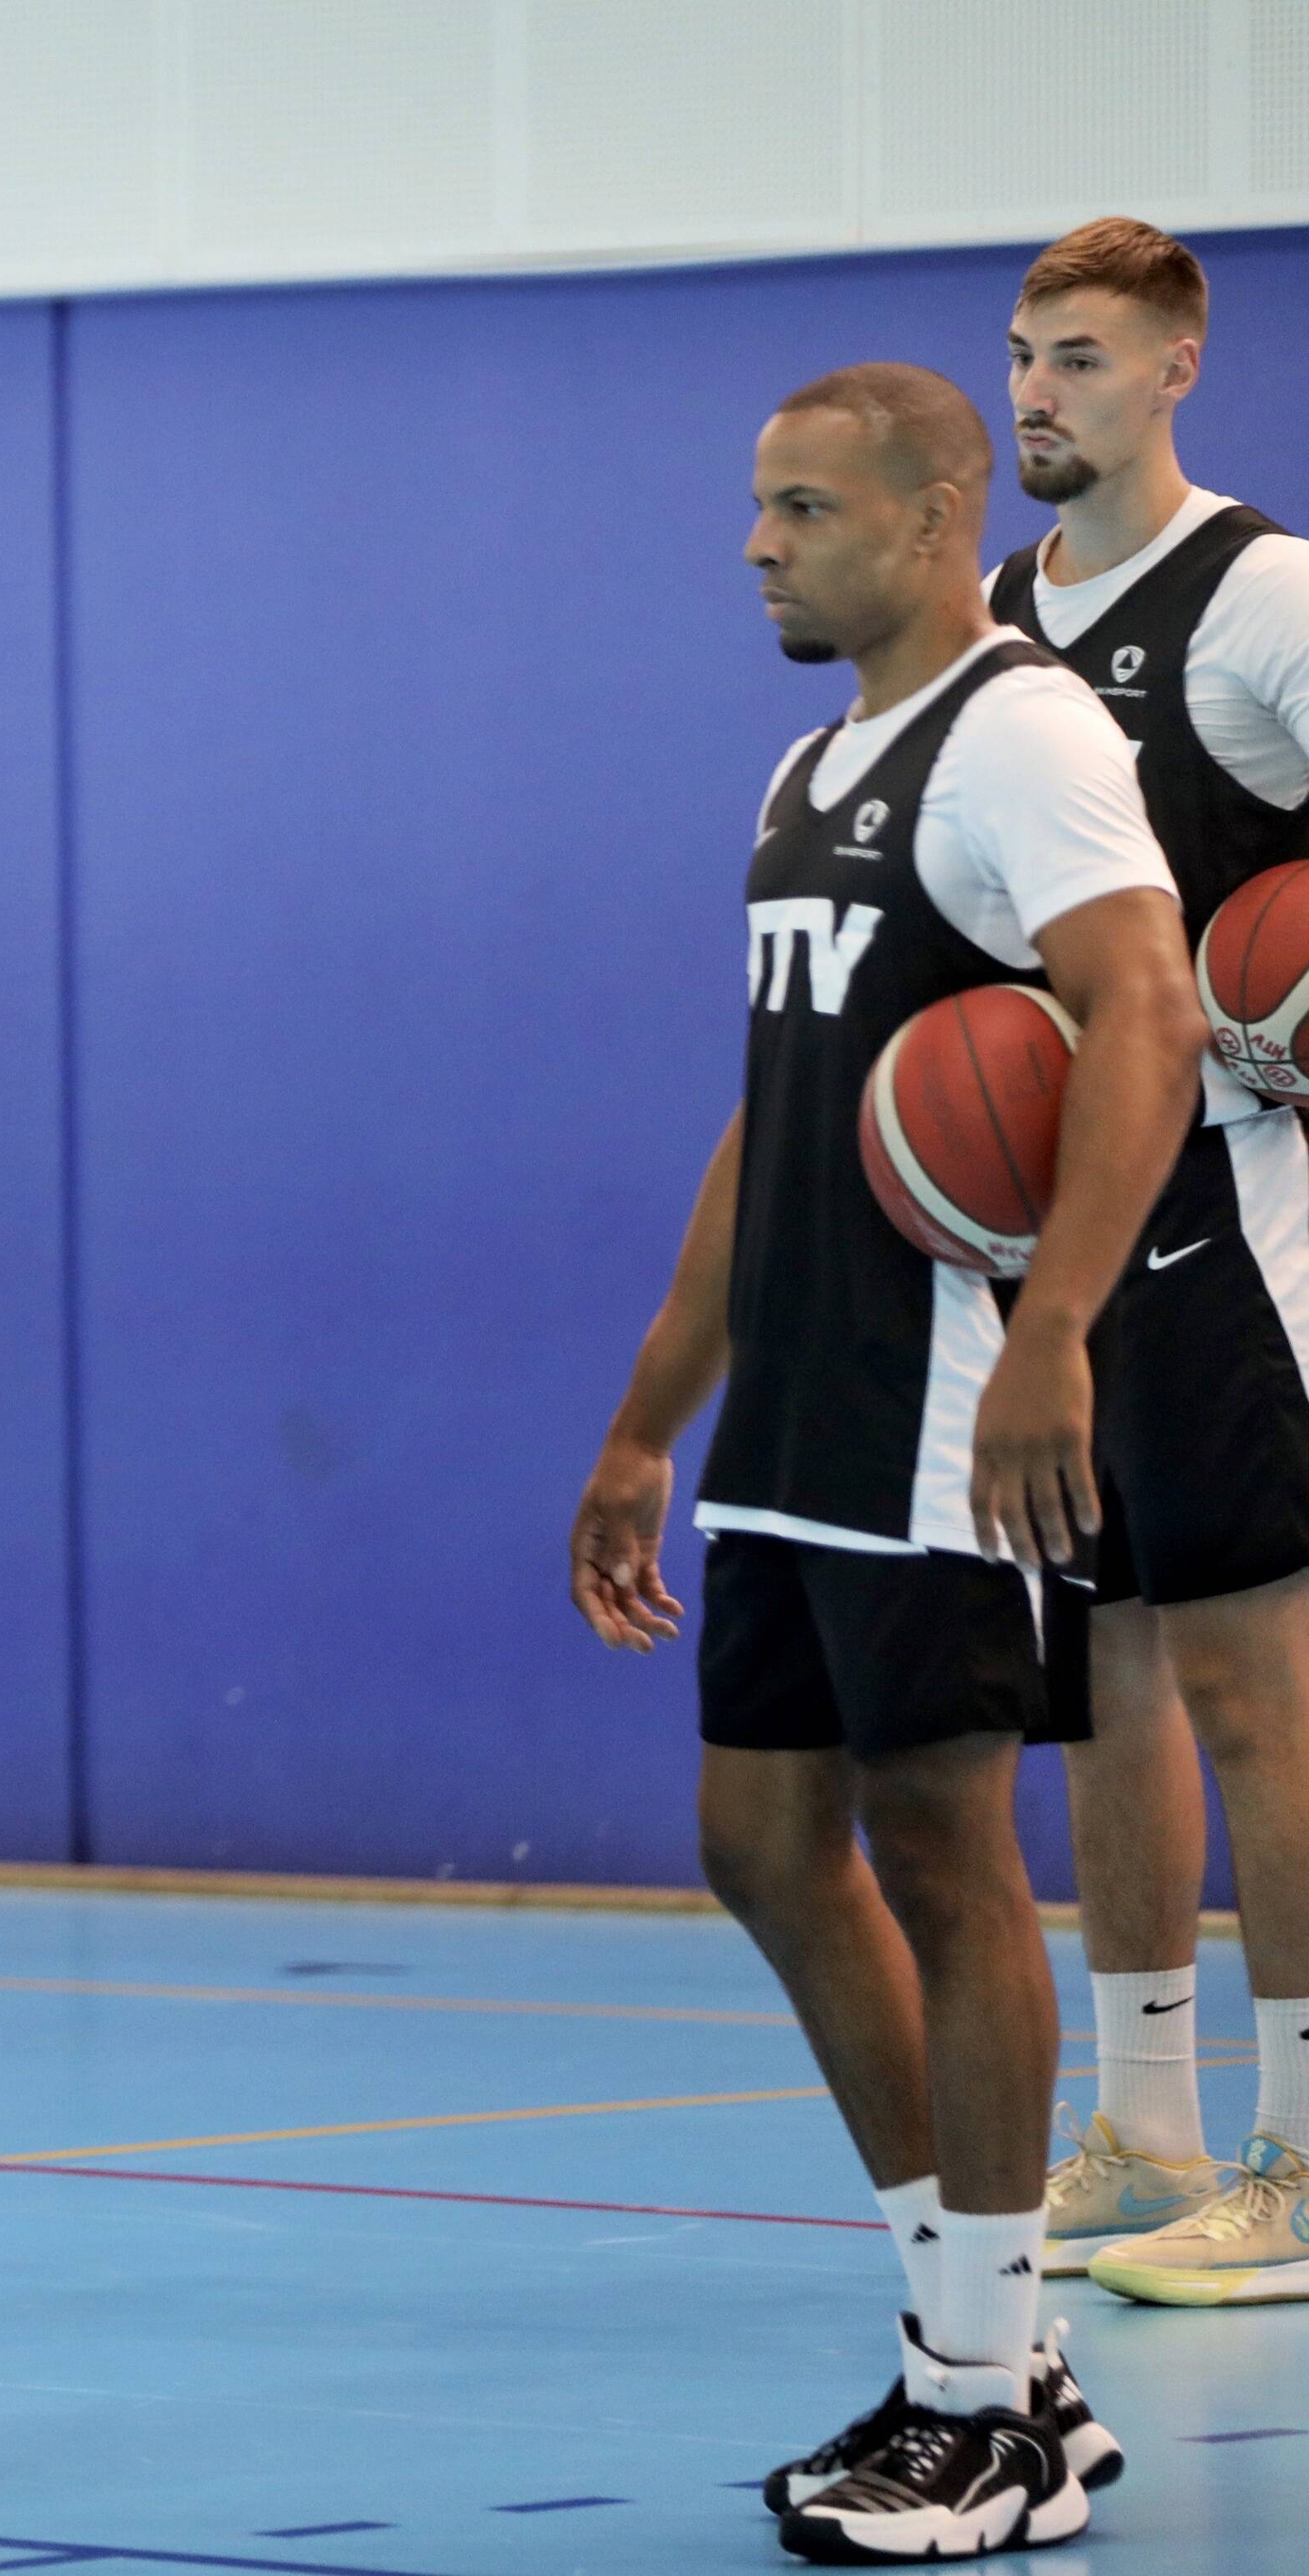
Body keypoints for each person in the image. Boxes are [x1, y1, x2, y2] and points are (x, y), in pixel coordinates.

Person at [569, 363, 1205, 2561]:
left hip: (949, 1406)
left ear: (938, 518)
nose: (759, 541)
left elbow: (1147, 1008)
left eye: (804, 508)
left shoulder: (1021, 734)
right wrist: (655, 1413)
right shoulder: (806, 764)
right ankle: (991, 2350)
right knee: (762, 1838)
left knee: (942, 1841)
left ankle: (987, 2403)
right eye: (757, 505)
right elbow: (774, 1112)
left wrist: (1058, 1332)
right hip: (798, 1416)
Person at [981, 217, 1309, 2307]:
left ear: (1177, 368)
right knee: (1097, 1684)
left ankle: (1302, 2149)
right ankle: (1147, 2128)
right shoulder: (999, 619)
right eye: (1019, 354)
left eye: (1081, 357)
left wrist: (1281, 1021)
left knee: (1252, 1688)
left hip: (1237, 1214)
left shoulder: (1259, 589)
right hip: (1062, 1235)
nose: (1037, 390)